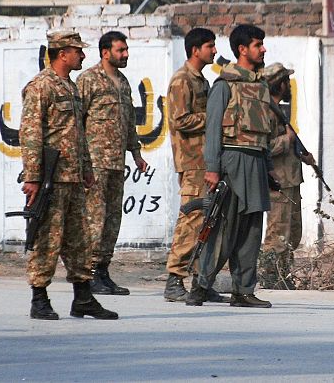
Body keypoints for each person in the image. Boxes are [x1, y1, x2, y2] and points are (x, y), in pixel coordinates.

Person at [19, 30, 117, 320]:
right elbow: (31, 134)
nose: (83, 56)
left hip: (74, 177)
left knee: (80, 239)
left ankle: (83, 298)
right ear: (62, 53)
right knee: (48, 238)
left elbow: (78, 135)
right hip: (51, 179)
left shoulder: (71, 87)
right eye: (78, 51)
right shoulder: (41, 87)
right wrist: (33, 177)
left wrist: (86, 169)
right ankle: (39, 298)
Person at [186, 24, 276, 308]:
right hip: (232, 162)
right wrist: (212, 168)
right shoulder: (224, 85)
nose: (262, 49)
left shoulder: (261, 86)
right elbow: (212, 129)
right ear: (242, 49)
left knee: (251, 233)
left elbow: (267, 132)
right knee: (223, 230)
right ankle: (201, 286)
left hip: (257, 162)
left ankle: (243, 291)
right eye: (257, 45)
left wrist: (269, 167)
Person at [77, 31, 148, 295]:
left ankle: (103, 270)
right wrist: (82, 161)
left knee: (112, 219)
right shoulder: (89, 80)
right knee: (95, 219)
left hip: (117, 163)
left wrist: (136, 154)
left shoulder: (124, 83)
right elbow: (77, 121)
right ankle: (89, 273)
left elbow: (129, 123)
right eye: (121, 50)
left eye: (126, 49)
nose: (125, 54)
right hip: (95, 163)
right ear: (105, 52)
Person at [164, 28, 225, 303]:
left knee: (207, 223)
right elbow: (180, 120)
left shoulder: (202, 80)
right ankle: (174, 279)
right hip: (192, 163)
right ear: (195, 50)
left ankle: (201, 282)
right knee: (191, 221)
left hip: (205, 161)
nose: (214, 51)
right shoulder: (182, 80)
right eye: (210, 46)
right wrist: (213, 117)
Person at [258, 62, 315, 290]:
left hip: (291, 180)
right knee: (277, 234)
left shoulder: (277, 108)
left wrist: (302, 154)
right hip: (278, 181)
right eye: (286, 81)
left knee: (292, 233)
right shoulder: (266, 111)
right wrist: (286, 141)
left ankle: (284, 274)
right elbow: (262, 146)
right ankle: (271, 276)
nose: (289, 85)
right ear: (280, 84)